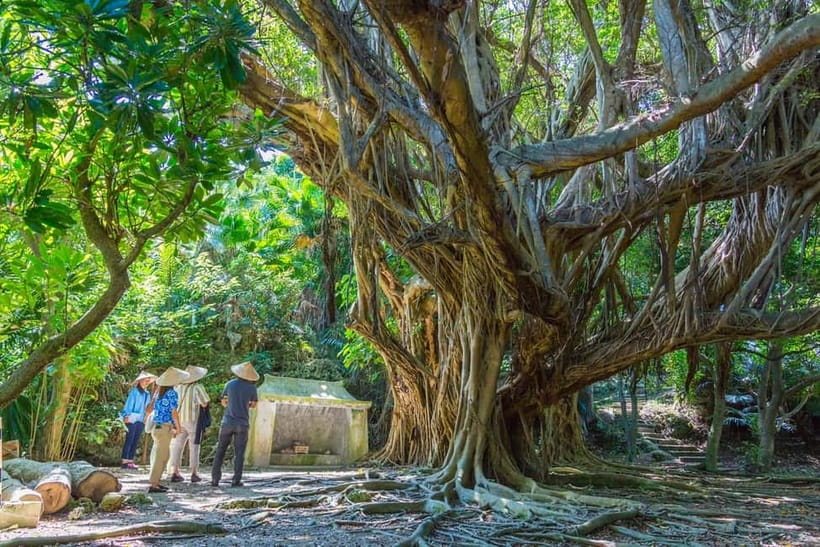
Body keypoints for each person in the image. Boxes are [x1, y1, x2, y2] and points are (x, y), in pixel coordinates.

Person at [211, 361, 259, 488]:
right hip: (242, 423)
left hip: (227, 422)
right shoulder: (252, 388)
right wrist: (246, 404)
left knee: (220, 450)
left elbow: (224, 402)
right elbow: (254, 405)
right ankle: (236, 480)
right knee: (239, 452)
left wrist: (231, 404)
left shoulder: (230, 384)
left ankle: (215, 479)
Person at [147, 367, 190, 493]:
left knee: (163, 455)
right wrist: (178, 427)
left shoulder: (159, 392)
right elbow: (174, 412)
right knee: (162, 457)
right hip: (165, 427)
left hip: (158, 427)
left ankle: (156, 482)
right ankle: (154, 484)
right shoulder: (172, 393)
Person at [168, 365, 209, 483]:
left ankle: (175, 471)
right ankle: (194, 472)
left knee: (178, 445)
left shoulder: (177, 387)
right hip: (192, 420)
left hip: (179, 420)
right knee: (194, 446)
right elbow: (204, 403)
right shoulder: (197, 387)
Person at [119, 371, 156, 469]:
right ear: (140, 381)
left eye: (148, 381)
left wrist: (146, 418)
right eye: (144, 380)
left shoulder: (147, 394)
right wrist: (126, 415)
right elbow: (129, 404)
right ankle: (124, 461)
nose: (146, 382)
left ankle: (130, 460)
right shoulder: (134, 391)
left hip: (141, 419)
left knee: (135, 440)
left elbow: (147, 408)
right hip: (131, 418)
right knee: (129, 439)